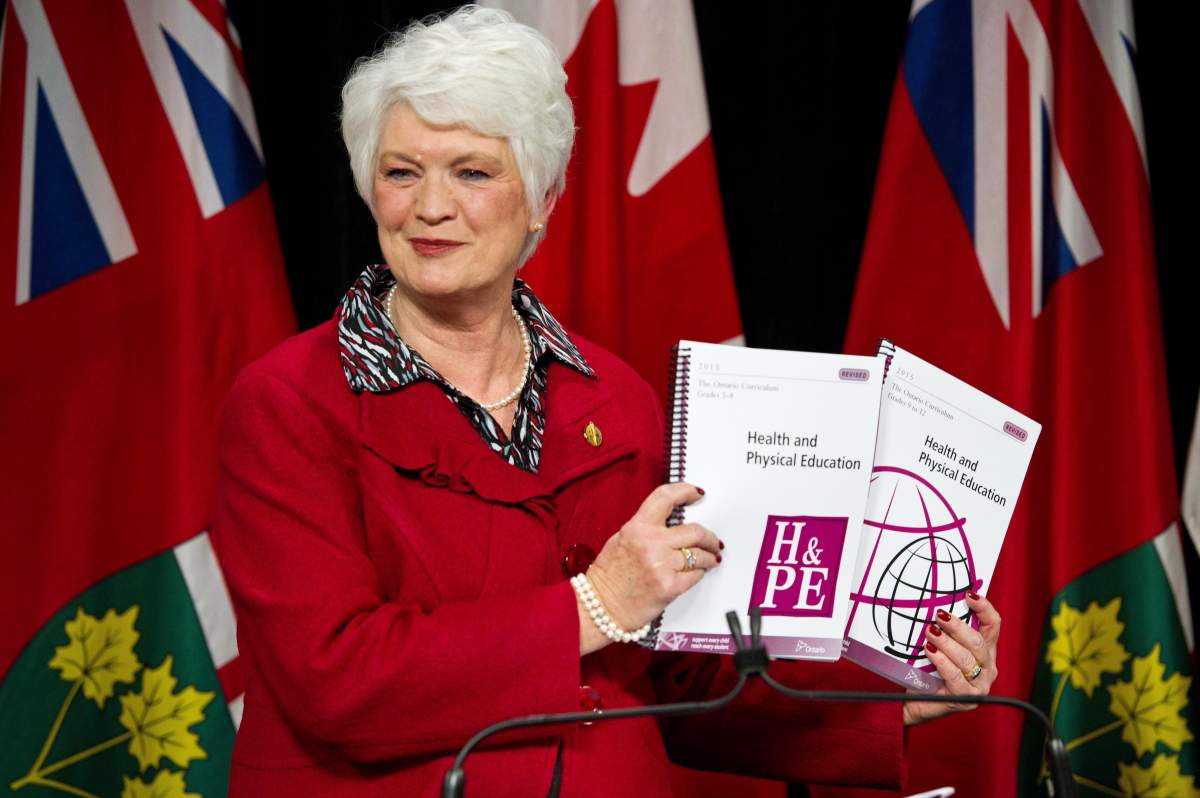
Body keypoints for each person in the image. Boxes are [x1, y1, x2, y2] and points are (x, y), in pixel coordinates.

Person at [213, 7, 1000, 796]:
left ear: (544, 196)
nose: (429, 207)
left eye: (473, 172)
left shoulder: (616, 397)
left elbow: (675, 682)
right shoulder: (286, 402)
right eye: (401, 171)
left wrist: (893, 699)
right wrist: (596, 603)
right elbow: (337, 678)